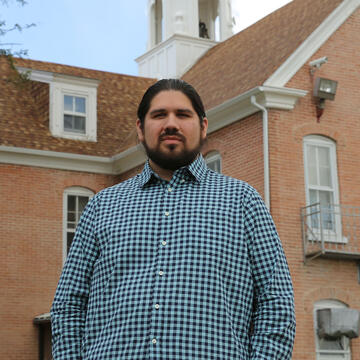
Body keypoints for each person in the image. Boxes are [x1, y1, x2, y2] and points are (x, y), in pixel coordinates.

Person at [51, 79, 295, 359]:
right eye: (159, 115)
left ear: (203, 127)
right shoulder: (101, 206)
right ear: (140, 130)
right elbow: (69, 305)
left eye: (182, 114)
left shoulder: (242, 201)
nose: (170, 124)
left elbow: (276, 303)